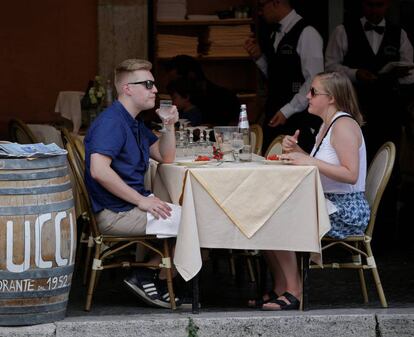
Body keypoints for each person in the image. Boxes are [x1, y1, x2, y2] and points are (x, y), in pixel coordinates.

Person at [252, 71, 370, 310]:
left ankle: (294, 291)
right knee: (261, 214)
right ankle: (281, 286)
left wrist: (310, 161)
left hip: (346, 210)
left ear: (332, 97)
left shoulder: (343, 125)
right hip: (327, 201)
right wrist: (299, 151)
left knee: (275, 218)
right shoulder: (327, 125)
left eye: (313, 92)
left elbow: (350, 173)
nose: (307, 96)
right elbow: (323, 167)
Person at [84, 59, 180, 308]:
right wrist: (141, 201)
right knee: (198, 221)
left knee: (196, 217)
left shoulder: (132, 121)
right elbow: (98, 170)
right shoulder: (112, 122)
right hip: (115, 212)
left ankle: (148, 274)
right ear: (127, 88)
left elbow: (165, 156)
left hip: (126, 207)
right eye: (148, 84)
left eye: (154, 84)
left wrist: (168, 125)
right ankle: (154, 278)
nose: (155, 90)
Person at [325, 0, 414, 161]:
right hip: (355, 106)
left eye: (379, 5)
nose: (374, 10)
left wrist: (401, 73)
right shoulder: (343, 30)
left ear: (387, 5)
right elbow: (330, 67)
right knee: (355, 156)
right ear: (362, 4)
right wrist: (355, 73)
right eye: (369, 5)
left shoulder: (399, 33)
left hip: (389, 109)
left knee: (388, 156)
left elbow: (410, 74)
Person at [244, 0, 324, 153]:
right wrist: (259, 57)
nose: (260, 12)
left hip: (298, 117)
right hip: (275, 112)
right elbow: (277, 75)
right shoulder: (274, 33)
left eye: (262, 6)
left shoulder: (307, 33)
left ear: (276, 2)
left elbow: (315, 80)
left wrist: (288, 110)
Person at [165, 54, 240, 126]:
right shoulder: (181, 104)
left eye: (176, 81)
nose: (172, 86)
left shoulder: (227, 98)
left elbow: (234, 129)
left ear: (191, 75)